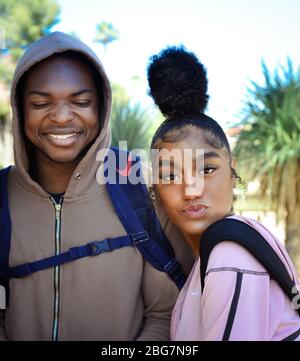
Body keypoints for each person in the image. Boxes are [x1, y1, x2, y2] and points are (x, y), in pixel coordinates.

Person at [0, 32, 194, 341]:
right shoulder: (2, 197)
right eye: (40, 102)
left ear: (102, 108)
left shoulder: (139, 187)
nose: (62, 116)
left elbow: (165, 313)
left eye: (81, 102)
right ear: (21, 110)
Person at [147, 45, 300, 341]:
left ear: (232, 172)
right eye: (170, 175)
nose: (191, 191)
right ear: (155, 190)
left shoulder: (230, 255)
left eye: (206, 170)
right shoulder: (215, 252)